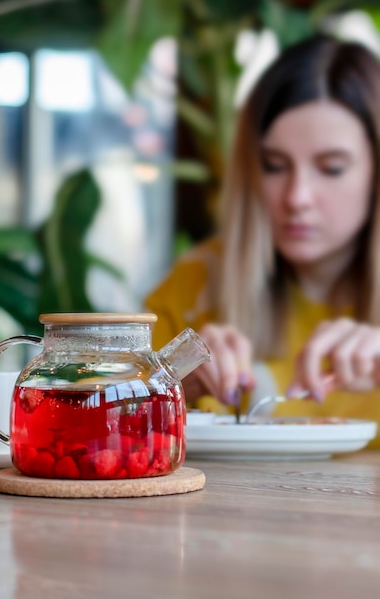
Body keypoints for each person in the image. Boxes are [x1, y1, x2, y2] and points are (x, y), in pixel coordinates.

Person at [145, 34, 380, 447]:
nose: (297, 197)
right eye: (274, 166)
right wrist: (172, 385)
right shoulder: (197, 285)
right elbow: (99, 419)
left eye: (331, 168)